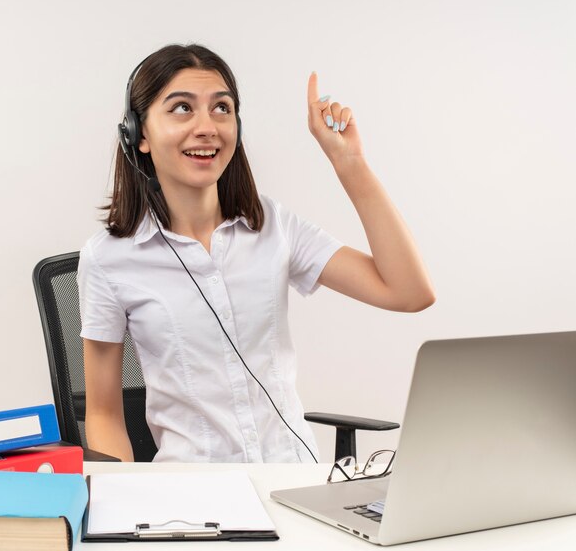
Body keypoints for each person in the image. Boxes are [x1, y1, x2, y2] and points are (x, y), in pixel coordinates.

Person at [78, 43, 435, 463]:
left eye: (222, 108)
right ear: (138, 135)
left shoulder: (273, 225)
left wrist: (349, 162)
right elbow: (102, 414)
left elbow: (409, 292)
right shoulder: (109, 259)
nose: (207, 126)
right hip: (194, 497)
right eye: (181, 108)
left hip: (295, 482)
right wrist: (124, 504)